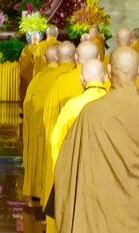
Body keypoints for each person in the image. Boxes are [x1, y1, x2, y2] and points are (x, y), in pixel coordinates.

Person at [54, 48, 139, 233]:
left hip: (97, 211)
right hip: (138, 209)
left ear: (109, 71)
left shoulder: (90, 112)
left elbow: (66, 166)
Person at [41, 42, 99, 207]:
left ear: (76, 58)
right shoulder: (108, 87)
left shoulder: (61, 82)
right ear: (99, 58)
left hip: (68, 158)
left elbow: (50, 120)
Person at [48, 59, 109, 168]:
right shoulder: (115, 104)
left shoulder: (71, 106)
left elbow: (56, 142)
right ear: (106, 77)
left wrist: (61, 174)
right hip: (109, 172)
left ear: (81, 79)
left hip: (79, 170)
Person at [22, 44, 63, 202]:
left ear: (45, 59)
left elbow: (28, 105)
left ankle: (38, 188)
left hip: (43, 129)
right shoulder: (73, 77)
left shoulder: (39, 78)